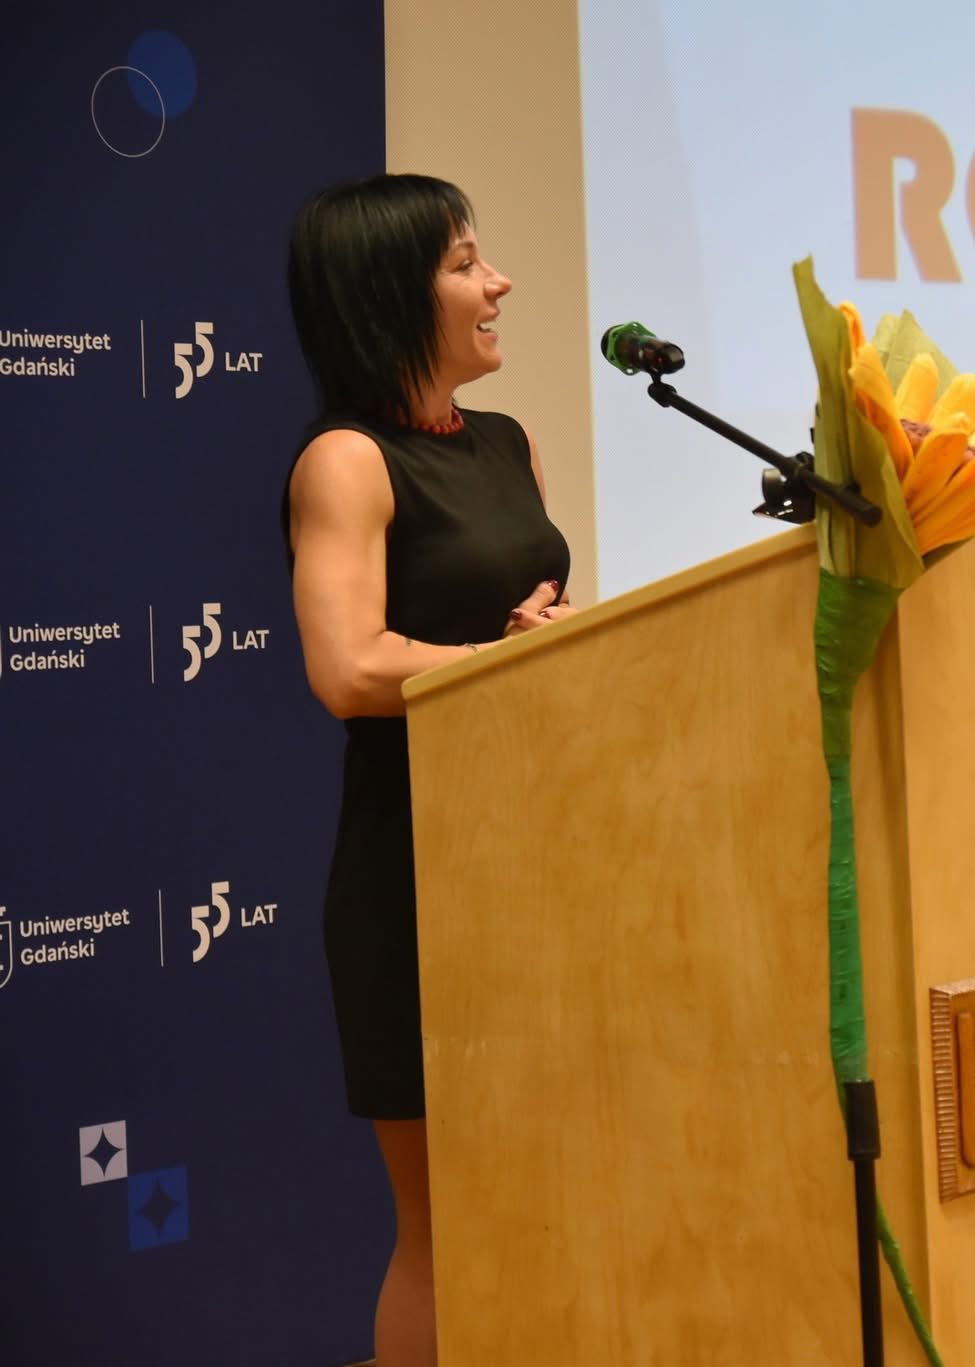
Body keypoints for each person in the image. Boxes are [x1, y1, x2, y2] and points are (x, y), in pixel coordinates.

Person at [283, 173, 575, 1367]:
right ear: (387, 296)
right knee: (450, 1223)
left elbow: (535, 631)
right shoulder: (345, 462)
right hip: (416, 874)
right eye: (462, 263)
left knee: (549, 1198)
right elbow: (349, 666)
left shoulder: (508, 443)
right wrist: (501, 659)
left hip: (542, 856)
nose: (497, 281)